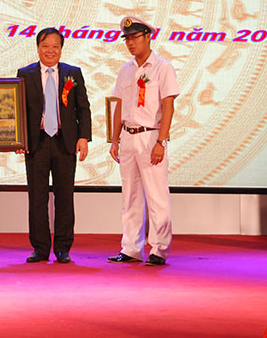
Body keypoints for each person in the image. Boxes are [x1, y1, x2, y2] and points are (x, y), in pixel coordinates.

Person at [108, 17, 179, 266]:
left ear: (148, 37)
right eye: (127, 39)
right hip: (128, 136)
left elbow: (168, 106)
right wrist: (114, 140)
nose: (130, 43)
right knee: (130, 195)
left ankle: (159, 249)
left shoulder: (163, 68)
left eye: (135, 37)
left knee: (157, 196)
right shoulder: (125, 70)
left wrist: (161, 141)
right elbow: (118, 107)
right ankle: (131, 248)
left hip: (151, 136)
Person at [17, 27, 92, 264]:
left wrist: (83, 137)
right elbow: (18, 109)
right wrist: (19, 139)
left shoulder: (73, 73)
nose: (50, 51)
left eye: (55, 47)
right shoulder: (25, 73)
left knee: (64, 196)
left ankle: (63, 248)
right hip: (36, 142)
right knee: (37, 197)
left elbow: (83, 108)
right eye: (45, 46)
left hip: (64, 141)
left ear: (61, 49)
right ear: (38, 48)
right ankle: (40, 248)